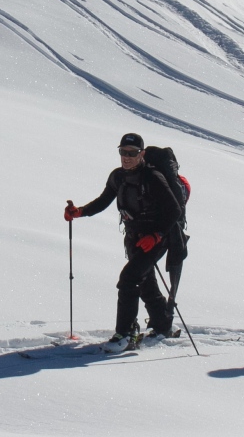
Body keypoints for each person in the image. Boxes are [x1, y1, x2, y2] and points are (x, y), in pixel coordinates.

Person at [65, 133, 186, 352]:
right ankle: (162, 324)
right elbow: (103, 201)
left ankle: (125, 334)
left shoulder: (153, 177)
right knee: (145, 279)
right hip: (134, 237)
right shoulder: (118, 177)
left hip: (157, 238)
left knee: (129, 279)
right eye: (123, 152)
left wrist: (157, 235)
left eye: (132, 153)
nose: (126, 157)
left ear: (142, 154)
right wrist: (79, 212)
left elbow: (174, 210)